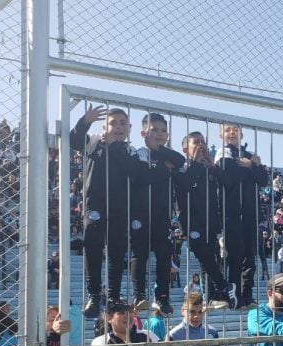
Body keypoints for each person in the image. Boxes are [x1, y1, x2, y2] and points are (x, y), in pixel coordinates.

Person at [70, 106, 142, 317]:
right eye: (113, 123)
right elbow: (74, 141)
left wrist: (115, 147)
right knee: (92, 245)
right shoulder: (94, 142)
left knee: (117, 251)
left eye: (122, 123)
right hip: (95, 205)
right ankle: (94, 295)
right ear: (105, 126)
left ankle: (113, 296)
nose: (117, 127)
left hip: (120, 207)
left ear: (129, 128)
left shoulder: (131, 151)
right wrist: (85, 121)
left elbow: (134, 172)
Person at [127, 112, 184, 315]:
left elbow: (180, 159)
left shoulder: (166, 154)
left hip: (163, 215)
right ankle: (139, 295)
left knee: (163, 256)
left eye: (163, 131)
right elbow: (140, 177)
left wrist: (160, 152)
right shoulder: (138, 153)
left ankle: (162, 297)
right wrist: (163, 170)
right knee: (139, 255)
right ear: (143, 133)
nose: (159, 134)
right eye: (154, 130)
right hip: (139, 214)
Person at [174, 131, 235, 309]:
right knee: (204, 255)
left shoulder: (209, 168)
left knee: (210, 259)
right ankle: (223, 285)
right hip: (192, 221)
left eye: (203, 143)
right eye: (196, 143)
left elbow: (228, 183)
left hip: (211, 221)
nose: (201, 146)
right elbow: (185, 185)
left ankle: (212, 296)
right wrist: (197, 163)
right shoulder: (182, 167)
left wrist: (212, 166)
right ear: (185, 148)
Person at [215, 124, 268, 309]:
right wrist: (251, 165)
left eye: (235, 130)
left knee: (250, 257)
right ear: (221, 134)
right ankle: (234, 294)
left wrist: (253, 165)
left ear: (241, 134)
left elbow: (263, 180)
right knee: (235, 255)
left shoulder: (250, 154)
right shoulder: (222, 153)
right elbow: (228, 178)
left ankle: (248, 295)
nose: (232, 133)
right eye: (228, 130)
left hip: (250, 213)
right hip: (231, 213)